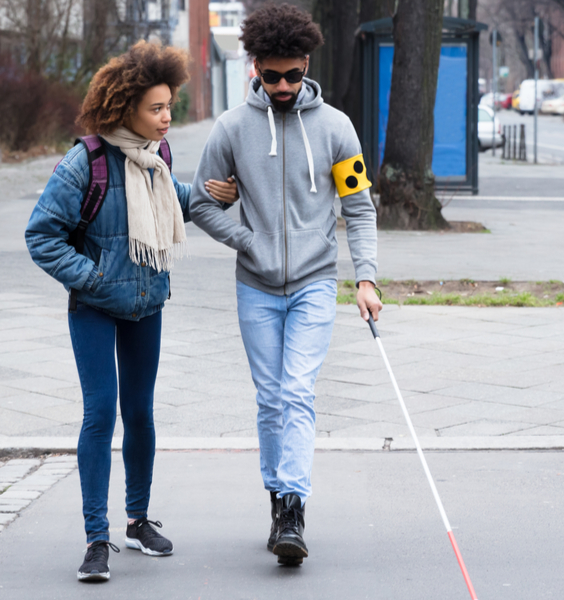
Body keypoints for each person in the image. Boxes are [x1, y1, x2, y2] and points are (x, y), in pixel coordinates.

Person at [25, 41, 239, 583]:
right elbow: (41, 236)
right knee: (101, 414)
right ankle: (96, 538)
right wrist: (93, 279)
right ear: (125, 109)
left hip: (147, 303)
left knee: (139, 413)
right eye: (157, 109)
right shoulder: (86, 162)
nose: (168, 118)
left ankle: (137, 520)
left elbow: (163, 200)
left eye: (170, 106)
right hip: (95, 306)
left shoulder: (157, 157)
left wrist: (209, 194)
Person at [189, 4, 383, 566]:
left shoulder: (336, 127)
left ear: (306, 65)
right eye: (269, 76)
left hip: (315, 283)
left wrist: (365, 277)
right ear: (254, 68)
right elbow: (201, 203)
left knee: (297, 391)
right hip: (255, 285)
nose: (280, 86)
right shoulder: (230, 128)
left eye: (291, 75)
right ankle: (278, 497)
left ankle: (293, 507)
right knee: (270, 398)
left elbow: (360, 209)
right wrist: (244, 239)